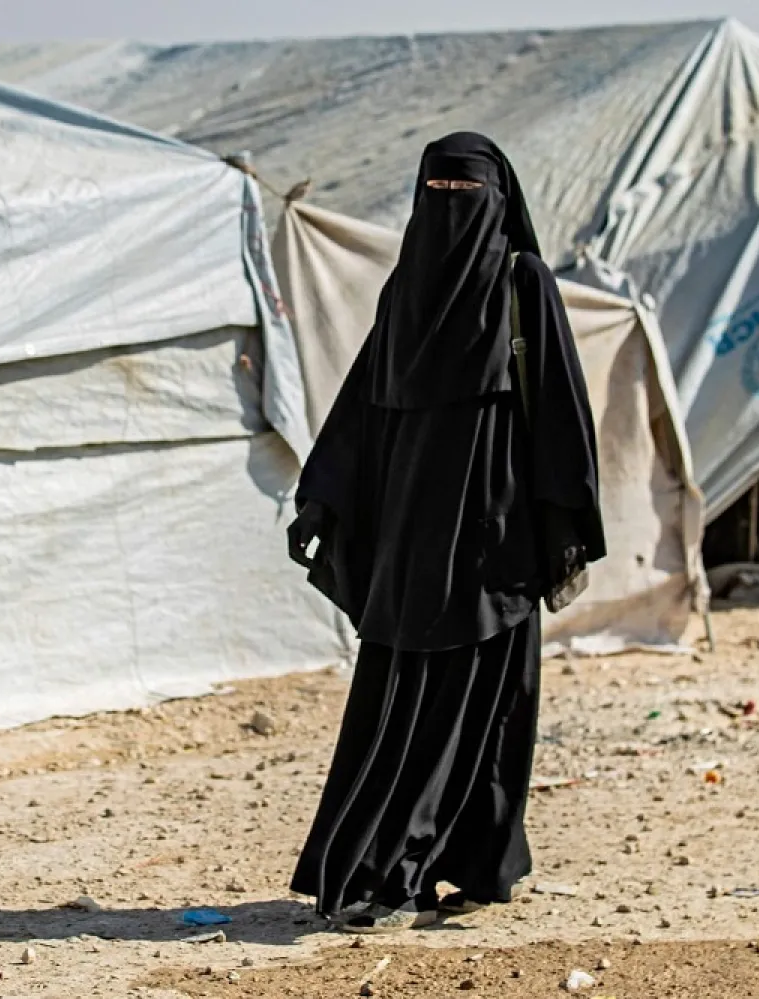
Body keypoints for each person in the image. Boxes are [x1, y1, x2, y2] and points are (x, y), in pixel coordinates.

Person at [285, 132, 605, 933]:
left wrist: (563, 526)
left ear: (500, 199)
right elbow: (360, 408)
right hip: (408, 548)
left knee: (482, 715)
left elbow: (562, 409)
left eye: (468, 193)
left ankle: (422, 872)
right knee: (408, 713)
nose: (451, 209)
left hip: (494, 548)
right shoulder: (406, 294)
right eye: (438, 192)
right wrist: (321, 500)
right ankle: (401, 868)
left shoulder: (523, 284)